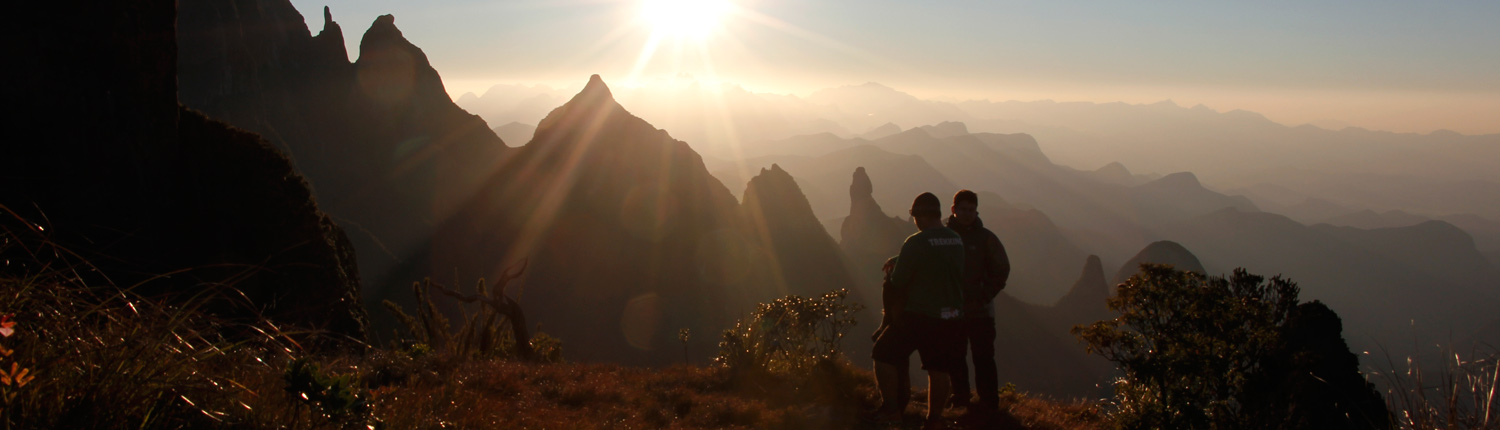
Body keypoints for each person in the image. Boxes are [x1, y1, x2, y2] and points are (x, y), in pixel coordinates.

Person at [869, 192, 967, 429]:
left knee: (883, 353)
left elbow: (899, 281)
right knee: (939, 368)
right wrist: (901, 257)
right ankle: (934, 420)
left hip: (920, 315)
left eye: (914, 216)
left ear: (921, 216)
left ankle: (891, 411)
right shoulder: (955, 239)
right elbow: (938, 259)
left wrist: (893, 271)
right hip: (951, 316)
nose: (914, 221)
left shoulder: (916, 242)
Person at [945, 189, 1011, 412]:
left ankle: (989, 401)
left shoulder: (986, 238)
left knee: (984, 358)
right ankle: (960, 397)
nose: (967, 214)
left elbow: (1001, 270)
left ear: (976, 211)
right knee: (955, 357)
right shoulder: (942, 237)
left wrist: (984, 296)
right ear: (953, 210)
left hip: (981, 311)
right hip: (952, 310)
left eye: (971, 210)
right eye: (962, 209)